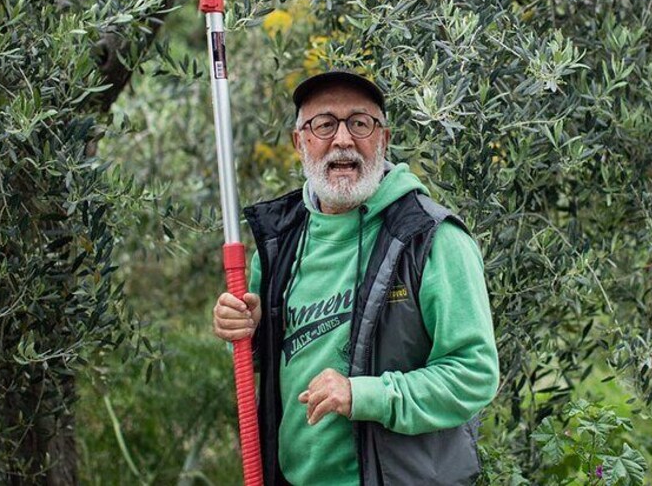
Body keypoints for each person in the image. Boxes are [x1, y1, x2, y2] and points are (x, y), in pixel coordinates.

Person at [212, 70, 499, 486]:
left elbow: (474, 374)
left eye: (360, 123)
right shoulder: (278, 246)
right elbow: (270, 362)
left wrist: (365, 395)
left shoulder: (432, 239)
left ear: (382, 139)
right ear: (300, 142)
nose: (343, 139)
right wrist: (247, 332)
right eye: (324, 124)